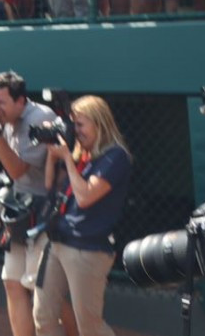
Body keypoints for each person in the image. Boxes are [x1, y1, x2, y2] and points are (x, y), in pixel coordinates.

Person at [0, 72, 60, 336]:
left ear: (21, 100)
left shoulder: (40, 118)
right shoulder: (3, 119)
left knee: (43, 293)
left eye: (1, 102)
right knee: (12, 282)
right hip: (19, 207)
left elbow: (16, 170)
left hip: (47, 211)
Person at [34, 96, 132, 336]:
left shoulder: (115, 156)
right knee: (43, 315)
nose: (75, 131)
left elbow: (86, 197)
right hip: (57, 241)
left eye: (80, 125)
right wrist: (52, 153)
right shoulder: (82, 154)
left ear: (99, 124)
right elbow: (50, 184)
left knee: (89, 327)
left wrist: (67, 157)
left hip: (87, 248)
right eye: (73, 124)